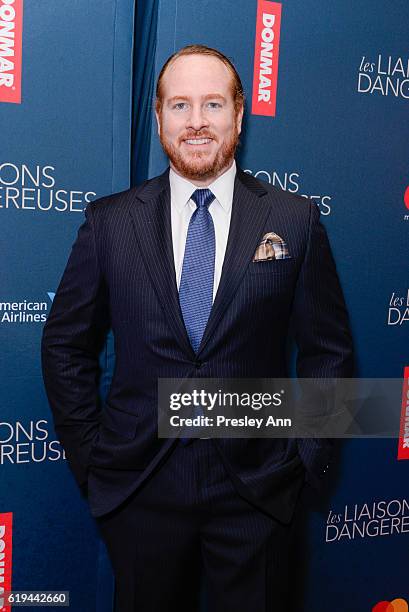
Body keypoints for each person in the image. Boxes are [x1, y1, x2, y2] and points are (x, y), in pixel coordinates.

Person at [41, 45, 354, 611]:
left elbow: (327, 353)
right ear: (158, 118)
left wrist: (306, 460)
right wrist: (92, 458)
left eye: (213, 104)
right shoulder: (110, 222)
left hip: (258, 494)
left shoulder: (293, 220)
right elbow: (65, 345)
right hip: (140, 490)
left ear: (239, 116)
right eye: (179, 105)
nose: (196, 122)